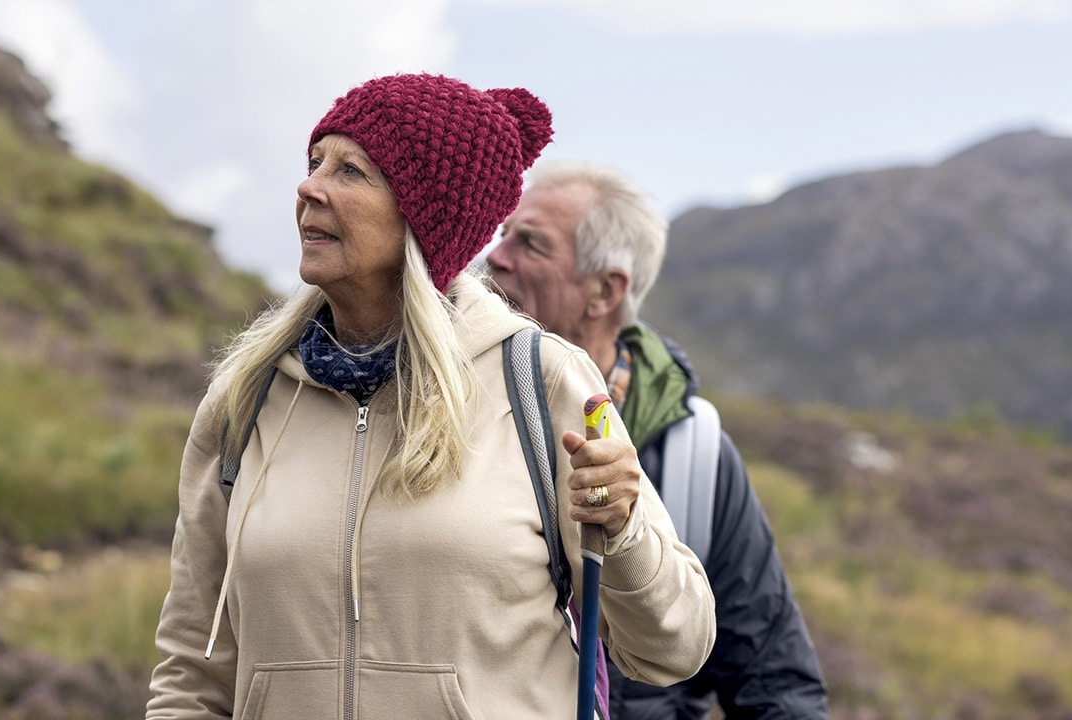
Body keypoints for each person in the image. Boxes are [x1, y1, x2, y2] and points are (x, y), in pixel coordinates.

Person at [145, 74, 716, 720]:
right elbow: (192, 672)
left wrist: (623, 527)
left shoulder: (542, 381)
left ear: (426, 217)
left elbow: (675, 647)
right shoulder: (244, 400)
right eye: (314, 163)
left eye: (351, 170)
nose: (309, 187)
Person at [486, 160, 829, 719]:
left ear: (603, 291)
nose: (495, 255)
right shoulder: (446, 412)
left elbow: (775, 683)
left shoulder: (693, 453)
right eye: (502, 233)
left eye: (530, 244)